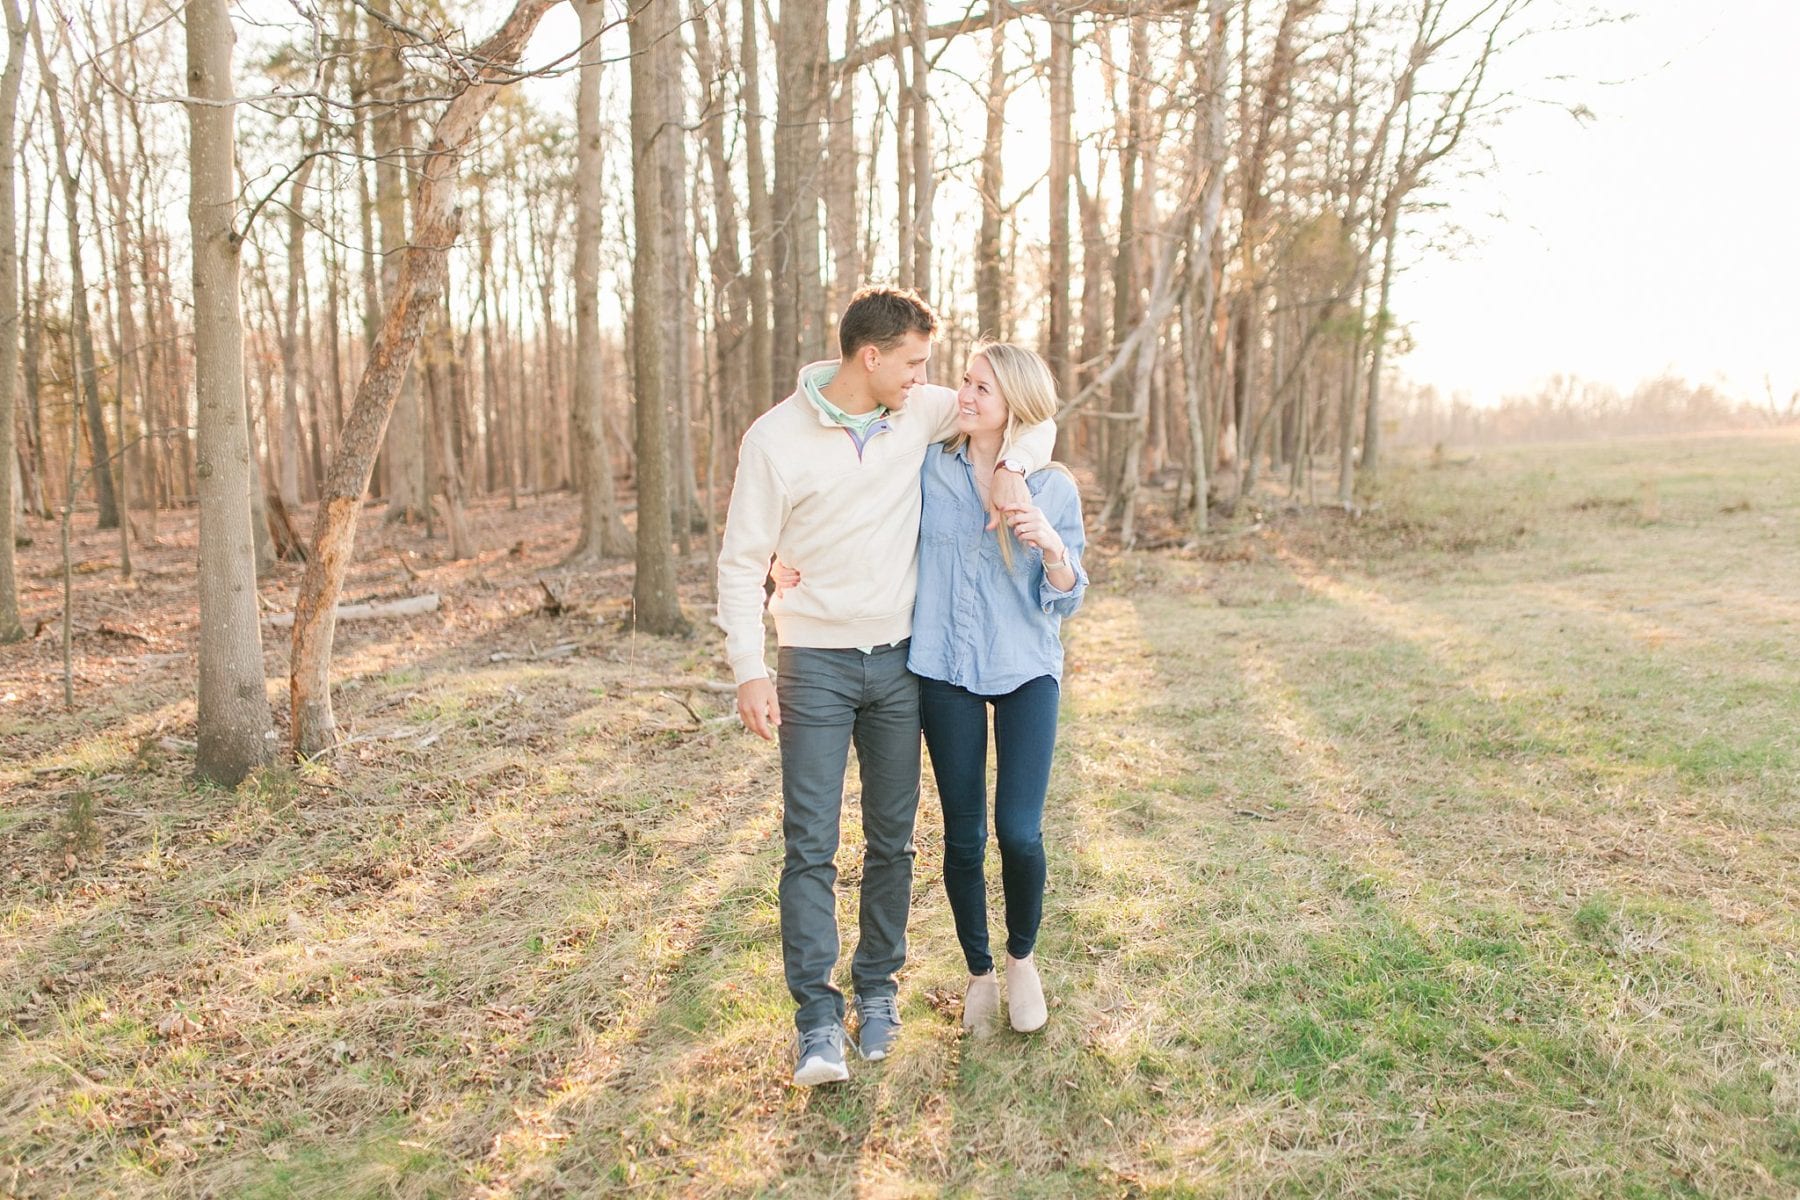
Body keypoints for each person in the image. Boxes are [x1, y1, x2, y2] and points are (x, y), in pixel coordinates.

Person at [715, 288, 1056, 1087]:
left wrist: (1010, 468)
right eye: (914, 362)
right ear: (872, 359)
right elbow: (740, 562)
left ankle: (878, 993)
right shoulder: (774, 441)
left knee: (893, 841)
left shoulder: (921, 411)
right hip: (813, 663)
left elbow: (1031, 410)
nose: (928, 379)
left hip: (903, 661)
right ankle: (816, 1023)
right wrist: (748, 668)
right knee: (810, 845)